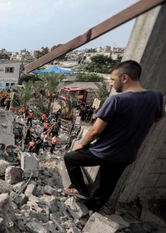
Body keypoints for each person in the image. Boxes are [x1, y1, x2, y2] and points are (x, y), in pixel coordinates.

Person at [63, 60, 164, 211]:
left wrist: (82, 144)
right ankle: (93, 209)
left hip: (103, 152)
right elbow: (158, 117)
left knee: (70, 158)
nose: (110, 83)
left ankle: (81, 190)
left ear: (124, 78)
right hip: (126, 155)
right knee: (107, 185)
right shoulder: (156, 97)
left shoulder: (116, 100)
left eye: (112, 79)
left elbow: (95, 131)